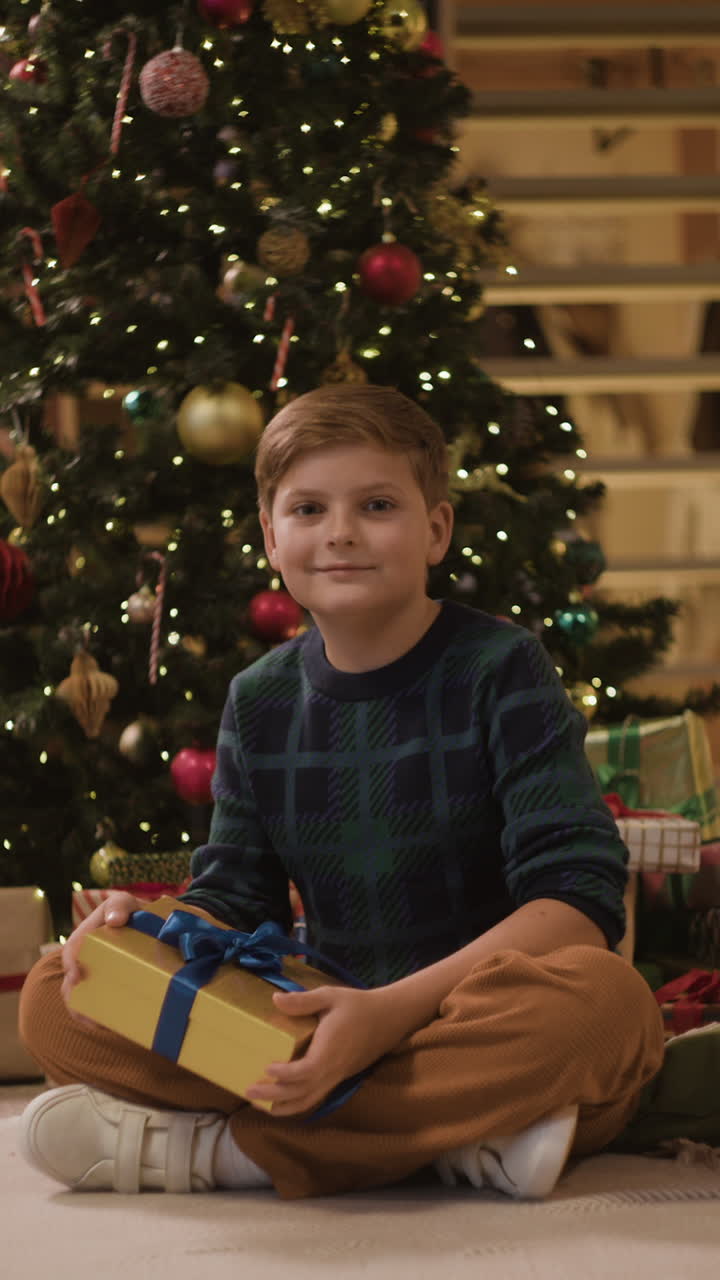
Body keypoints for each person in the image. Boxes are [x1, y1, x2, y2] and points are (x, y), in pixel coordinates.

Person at [18, 383, 707, 1201]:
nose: (340, 532)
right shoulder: (259, 698)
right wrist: (154, 928)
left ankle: (221, 1154)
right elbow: (237, 897)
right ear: (272, 538)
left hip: (467, 1008)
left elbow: (579, 902)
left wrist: (387, 1016)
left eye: (376, 504)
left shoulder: (503, 669)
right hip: (315, 1009)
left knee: (608, 1009)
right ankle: (457, 1136)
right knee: (58, 992)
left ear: (436, 530)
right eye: (307, 510)